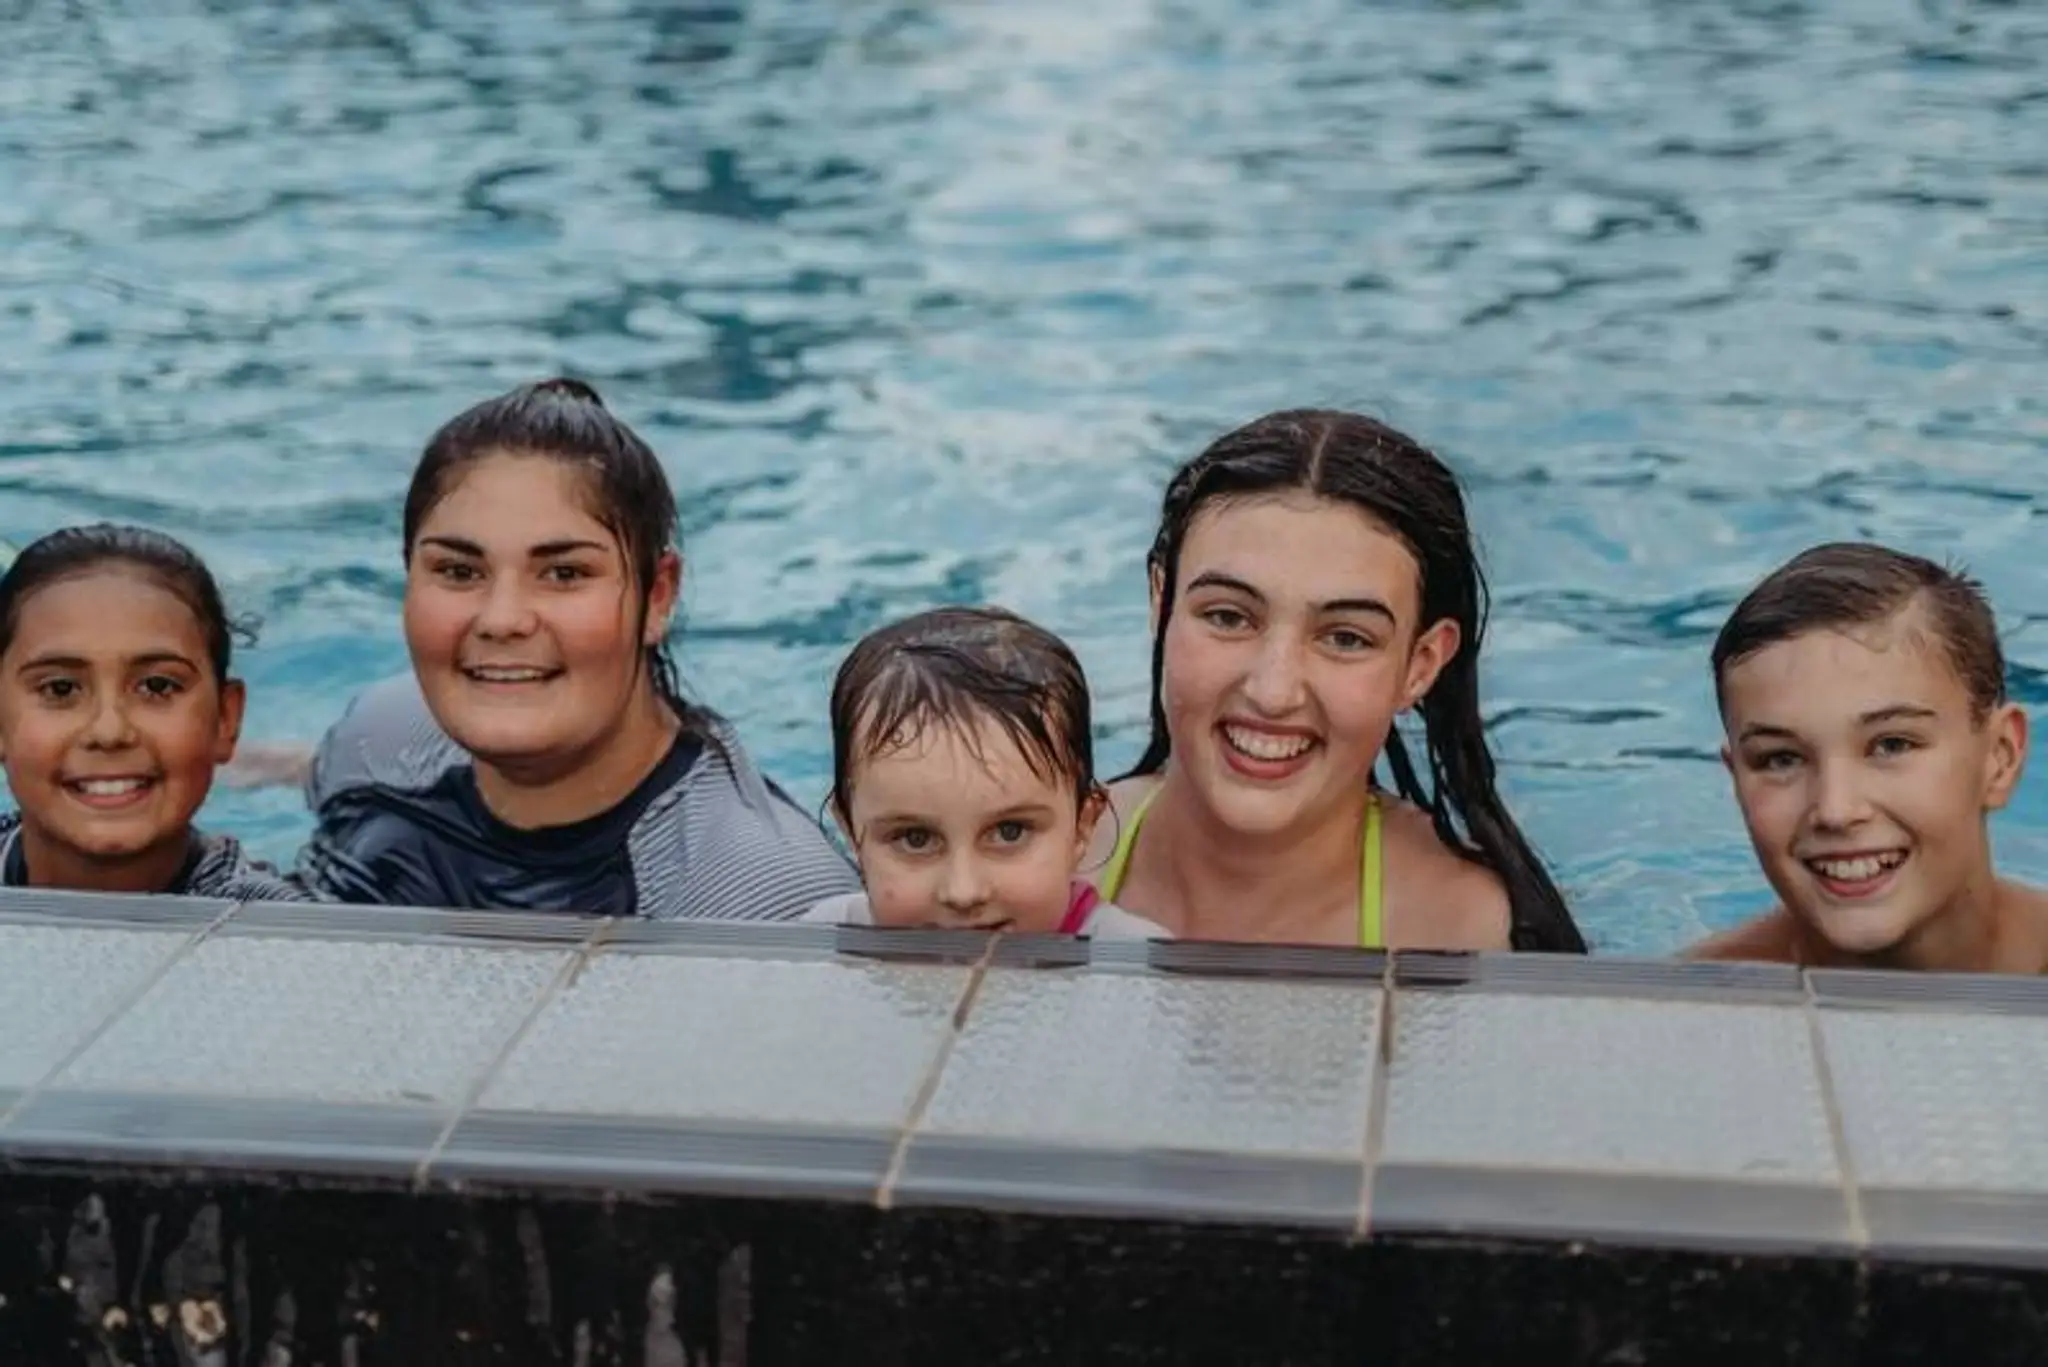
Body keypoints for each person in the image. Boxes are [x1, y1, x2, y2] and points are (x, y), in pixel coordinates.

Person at [292, 378, 857, 919]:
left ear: (658, 597)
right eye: (460, 571)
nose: (503, 619)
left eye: (564, 573)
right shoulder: (381, 737)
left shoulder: (764, 901)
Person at [1089, 409, 1586, 953]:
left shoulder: (1469, 931)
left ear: (1420, 666)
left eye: (1345, 638)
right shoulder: (1041, 868)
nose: (1272, 692)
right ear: (1161, 607)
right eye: (1228, 617)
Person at [1687, 543, 2048, 972]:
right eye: (1782, 759)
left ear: (1999, 758)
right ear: (1736, 780)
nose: (1836, 811)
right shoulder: (1685, 999)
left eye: (1891, 745)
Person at [805, 606, 1165, 937]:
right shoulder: (823, 950)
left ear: (1083, 825)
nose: (964, 892)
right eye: (915, 838)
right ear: (851, 830)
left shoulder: (1136, 975)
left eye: (1009, 832)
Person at [0, 524, 301, 899]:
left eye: (157, 686)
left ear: (226, 718)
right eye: (60, 689)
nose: (109, 731)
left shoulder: (288, 938)